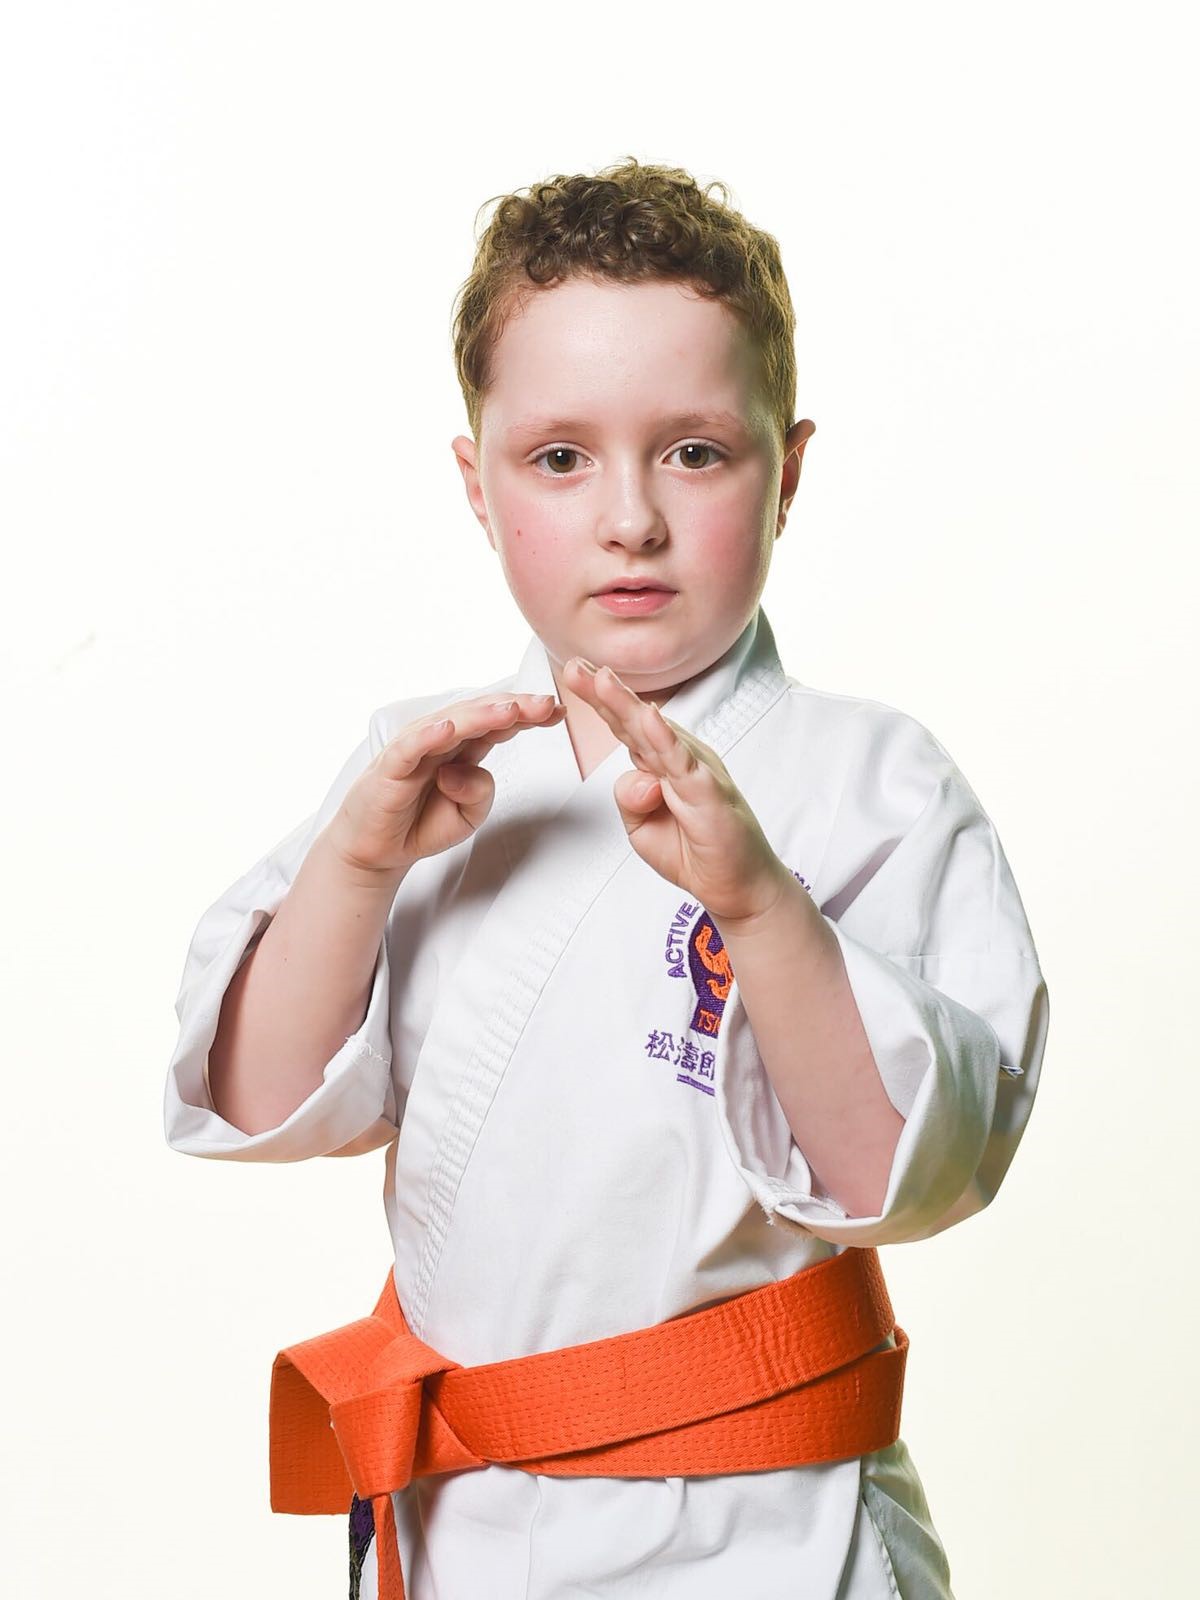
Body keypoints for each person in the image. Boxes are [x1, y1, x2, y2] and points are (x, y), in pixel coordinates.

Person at [163, 156, 1049, 1600]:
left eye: (695, 452)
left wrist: (760, 907)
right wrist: (354, 865)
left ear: (791, 467)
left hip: (766, 1525)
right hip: (468, 1525)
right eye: (560, 457)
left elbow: (909, 1175)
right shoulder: (429, 776)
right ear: (477, 480)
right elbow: (257, 1099)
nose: (629, 517)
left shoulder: (870, 782)